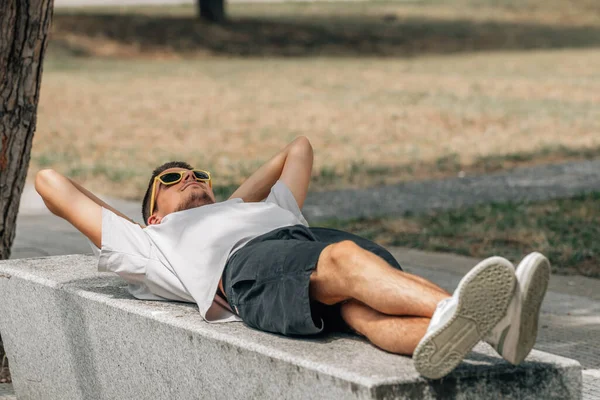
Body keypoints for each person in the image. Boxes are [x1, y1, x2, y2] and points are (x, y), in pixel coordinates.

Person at [34, 136, 550, 380]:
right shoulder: (149, 242)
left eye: (197, 175)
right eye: (170, 181)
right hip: (249, 268)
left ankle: (486, 331)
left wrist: (233, 202)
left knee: (362, 315)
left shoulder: (262, 207)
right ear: (151, 214)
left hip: (301, 251)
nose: (189, 179)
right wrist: (128, 223)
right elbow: (51, 183)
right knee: (345, 259)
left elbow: (296, 148)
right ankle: (470, 309)